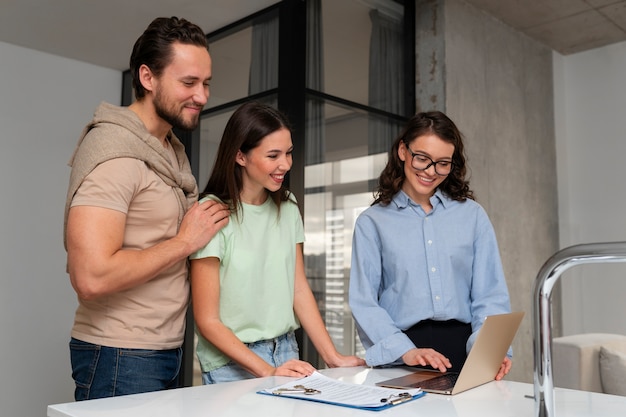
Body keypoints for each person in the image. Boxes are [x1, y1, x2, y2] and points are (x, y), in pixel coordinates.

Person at [63, 17, 230, 400]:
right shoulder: (114, 153)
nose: (202, 96)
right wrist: (185, 241)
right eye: (188, 83)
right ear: (147, 77)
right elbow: (90, 277)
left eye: (206, 84)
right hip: (118, 353)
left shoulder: (171, 151)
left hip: (164, 349)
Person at [190, 101, 365, 384]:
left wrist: (332, 356)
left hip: (286, 350)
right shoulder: (211, 214)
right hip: (231, 361)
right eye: (273, 155)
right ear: (240, 156)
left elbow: (297, 288)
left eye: (288, 153)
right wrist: (267, 371)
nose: (285, 164)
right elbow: (207, 321)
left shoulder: (288, 206)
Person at [348, 111, 513, 380]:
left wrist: (491, 351)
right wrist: (405, 350)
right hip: (403, 356)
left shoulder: (472, 216)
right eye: (422, 158)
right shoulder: (372, 222)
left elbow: (490, 295)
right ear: (403, 150)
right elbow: (364, 302)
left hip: (466, 353)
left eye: (442, 163)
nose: (430, 172)